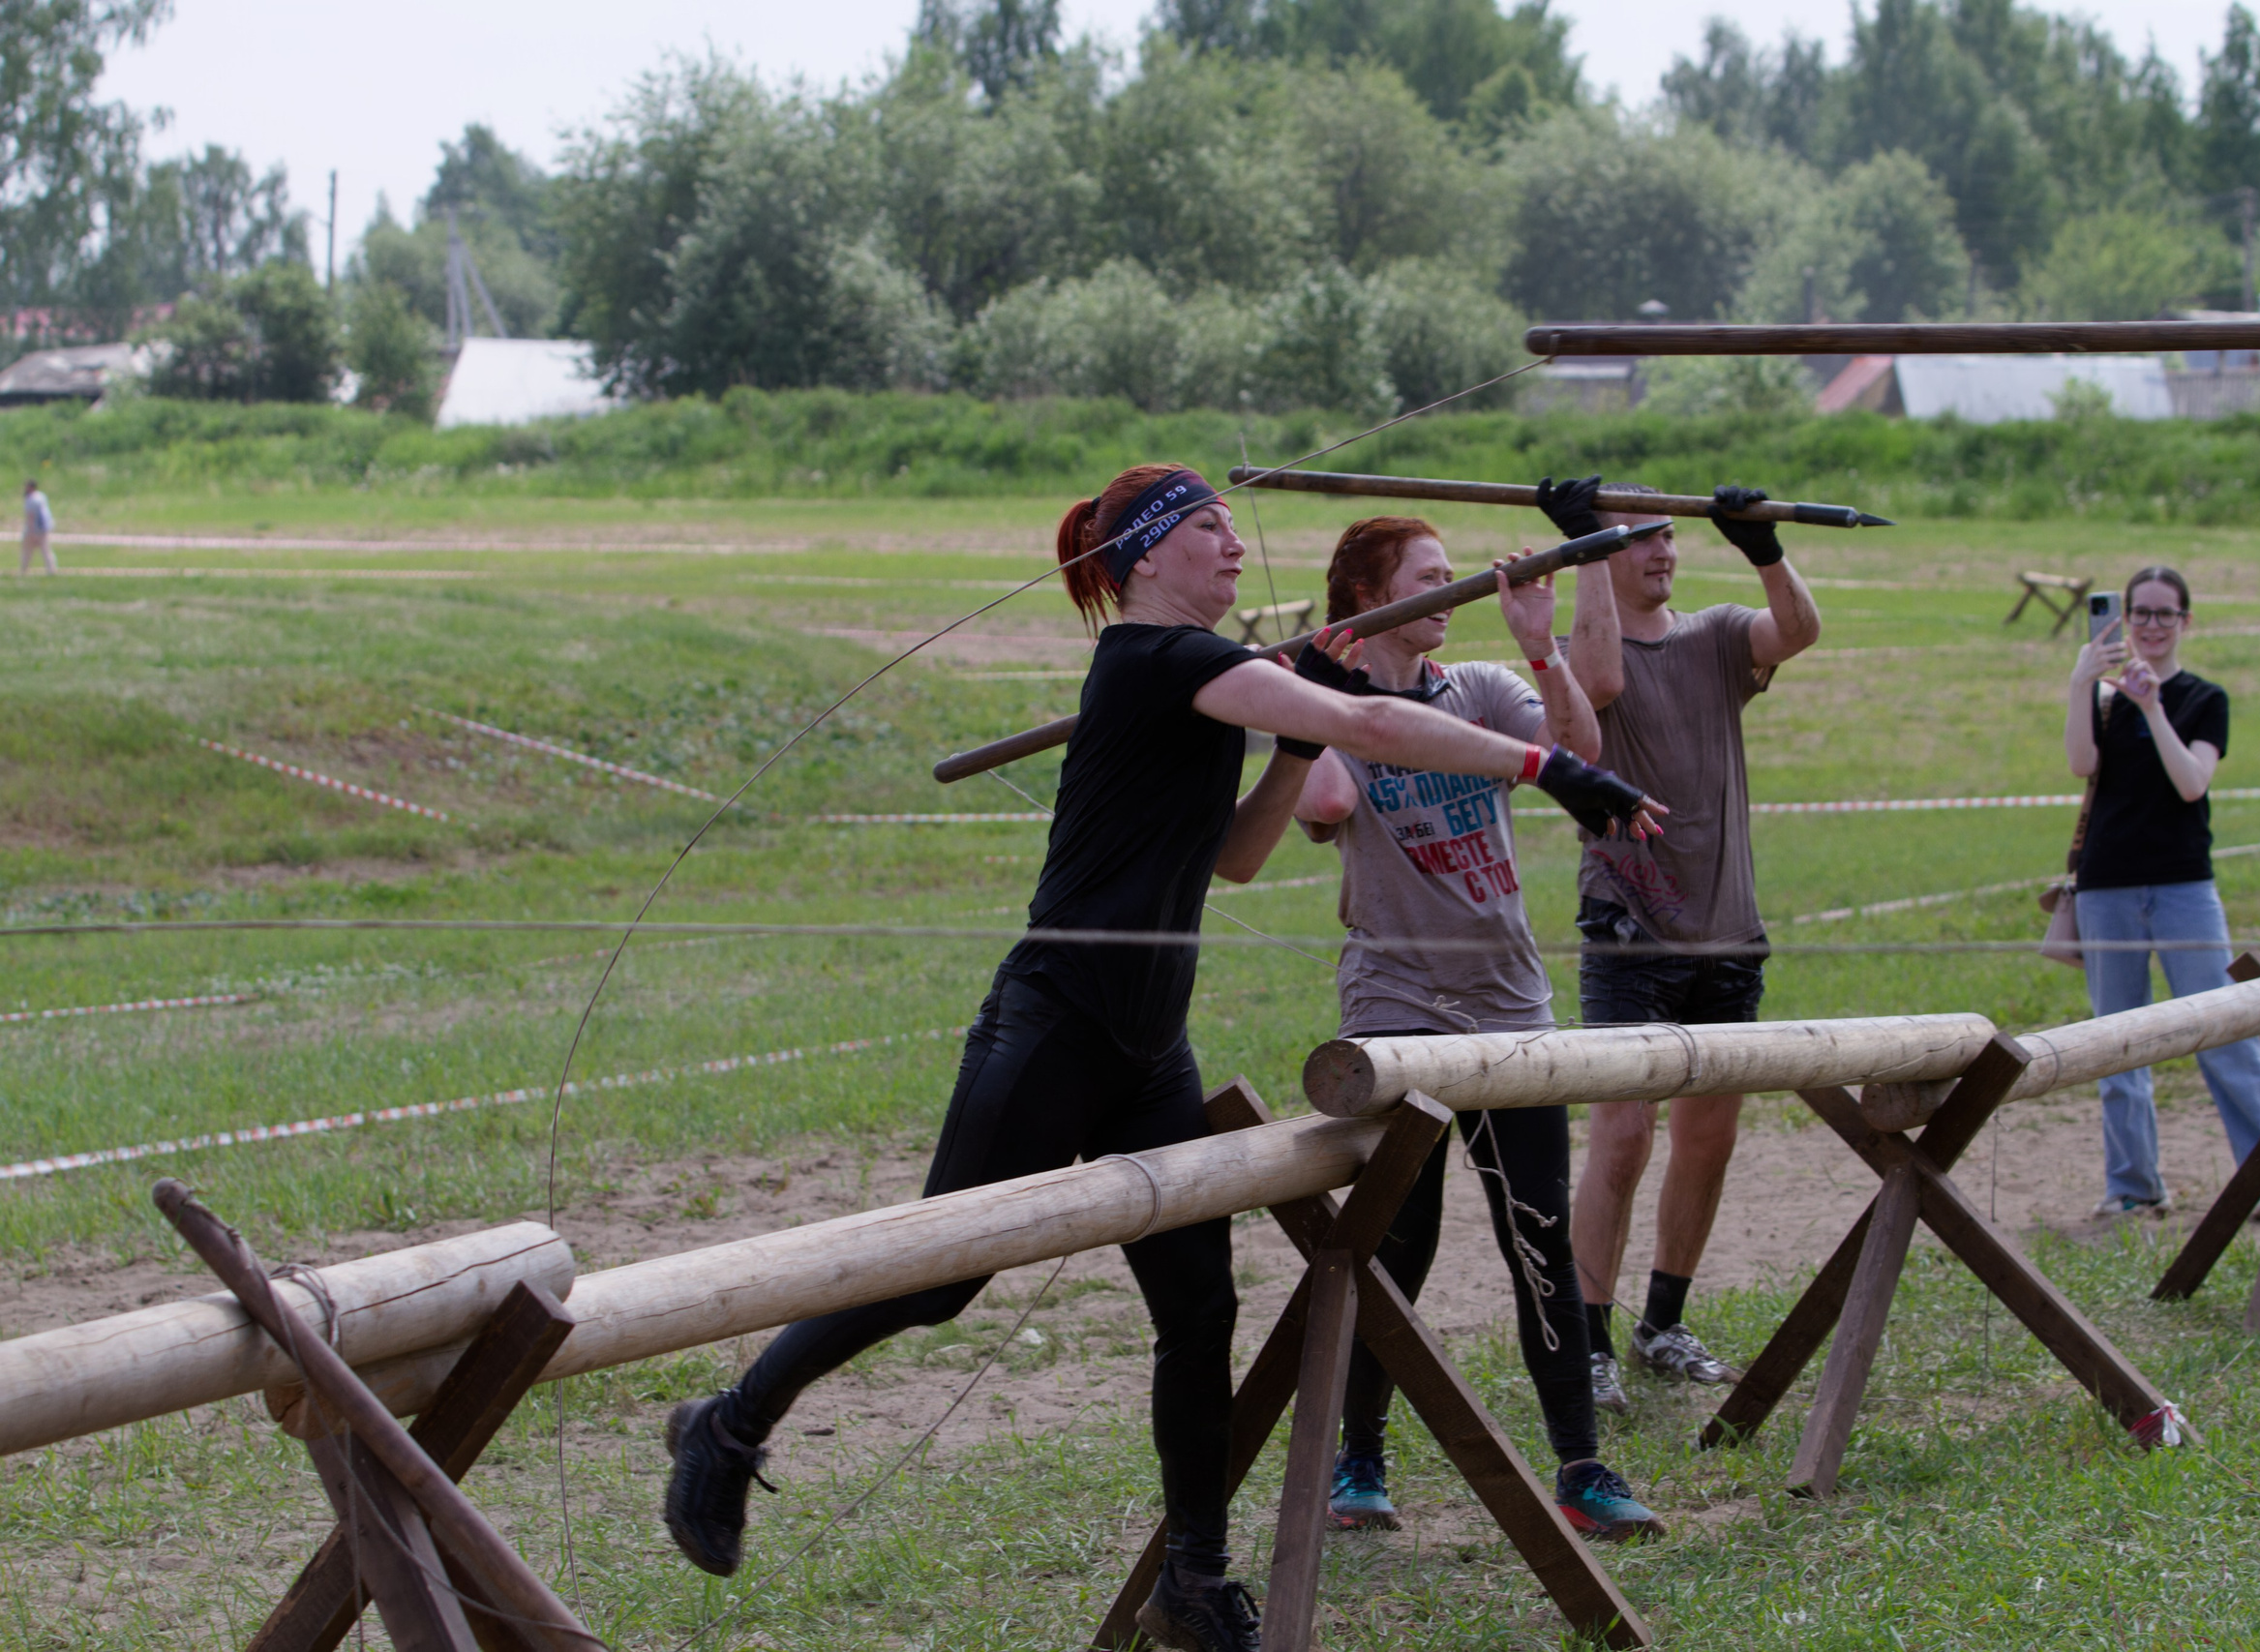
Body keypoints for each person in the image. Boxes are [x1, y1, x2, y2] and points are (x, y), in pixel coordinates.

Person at [660, 464, 1658, 1652]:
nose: (1234, 550)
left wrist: (1295, 731)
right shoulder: (1156, 661)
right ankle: (729, 1422)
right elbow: (1374, 724)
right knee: (937, 1280)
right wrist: (1548, 767)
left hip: (1147, 1044)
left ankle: (1192, 1575)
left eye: (1234, 530)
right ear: (1141, 560)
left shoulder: (1208, 677)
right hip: (1056, 1020)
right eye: (1206, 532)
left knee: (1200, 1306)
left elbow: (1235, 859)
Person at [1289, 516, 1662, 1542]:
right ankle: (1358, 1456)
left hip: (1509, 1008)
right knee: (1394, 1246)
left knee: (1535, 1236)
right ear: (1371, 597)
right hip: (1397, 1012)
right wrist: (1327, 697)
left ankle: (1581, 1468)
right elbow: (1320, 799)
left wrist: (1540, 643)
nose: (1446, 596)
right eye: (1426, 580)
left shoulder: (1484, 691)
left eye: (1451, 578)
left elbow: (1579, 750)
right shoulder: (1311, 707)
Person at [1549, 476, 1823, 1414]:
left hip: (1727, 928)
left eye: (1668, 538)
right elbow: (1598, 685)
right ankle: (1585, 1341)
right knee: (1621, 1135)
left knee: (1707, 1138)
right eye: (1638, 541)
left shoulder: (1712, 637)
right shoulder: (1577, 645)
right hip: (1628, 928)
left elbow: (1797, 633)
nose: (1662, 552)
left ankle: (1662, 1323)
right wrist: (1584, 550)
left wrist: (1763, 548)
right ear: (1601, 557)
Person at [2065, 565, 2260, 1219]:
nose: (2152, 625)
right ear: (2123, 619)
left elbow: (2192, 781)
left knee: (2223, 1028)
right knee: (2118, 1040)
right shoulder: (2102, 699)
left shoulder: (2203, 698)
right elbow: (2081, 763)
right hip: (2107, 884)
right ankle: (2133, 1186)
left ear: (2186, 621)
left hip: (2183, 882)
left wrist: (2152, 705)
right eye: (2141, 613)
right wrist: (2083, 681)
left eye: (2166, 614)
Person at [21, 481, 55, 575]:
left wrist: (32, 532)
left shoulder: (31, 499)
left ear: (30, 488)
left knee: (27, 551)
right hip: (44, 527)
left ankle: (24, 570)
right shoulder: (41, 496)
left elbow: (31, 516)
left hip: (34, 528)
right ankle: (51, 570)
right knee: (46, 550)